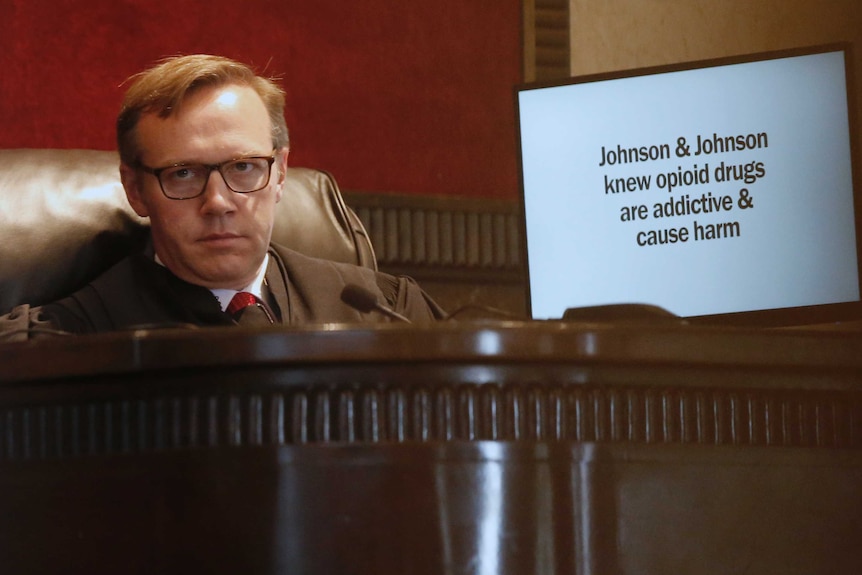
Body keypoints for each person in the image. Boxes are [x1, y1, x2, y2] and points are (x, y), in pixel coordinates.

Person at [3, 54, 444, 335]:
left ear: (281, 173)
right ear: (136, 190)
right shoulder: (66, 342)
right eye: (182, 174)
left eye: (244, 167)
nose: (218, 202)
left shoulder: (387, 313)